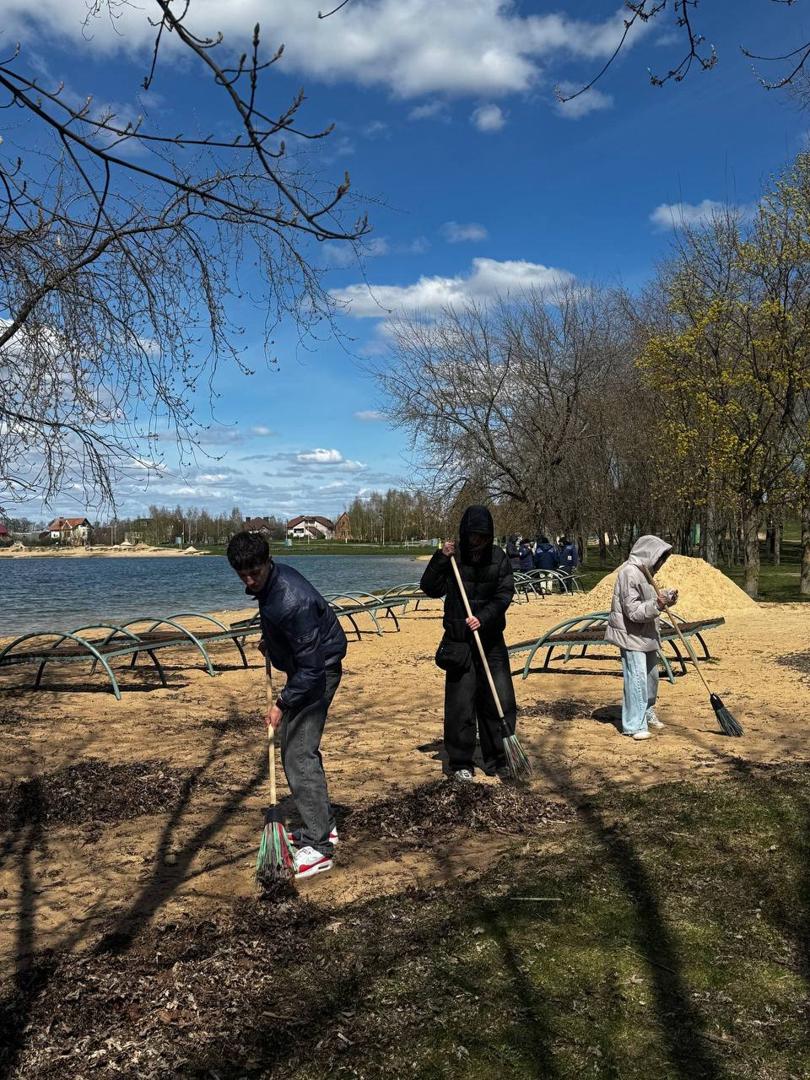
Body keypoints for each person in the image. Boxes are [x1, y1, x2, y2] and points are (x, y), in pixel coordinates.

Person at [226, 530, 347, 878]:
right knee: (298, 749)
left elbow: (310, 668)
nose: (249, 580)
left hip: (318, 673)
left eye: (255, 573)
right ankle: (324, 825)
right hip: (307, 669)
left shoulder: (290, 600)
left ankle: (320, 847)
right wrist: (274, 643)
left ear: (268, 562)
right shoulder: (271, 585)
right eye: (243, 574)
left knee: (298, 752)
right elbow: (289, 633)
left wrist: (280, 703)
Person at [420, 505, 518, 781]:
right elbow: (429, 588)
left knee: (499, 700)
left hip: (490, 641)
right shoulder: (454, 558)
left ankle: (499, 758)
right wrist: (440, 558)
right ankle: (461, 761)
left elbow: (503, 594)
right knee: (461, 705)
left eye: (482, 537)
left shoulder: (499, 558)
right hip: (460, 644)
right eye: (473, 536)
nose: (477, 542)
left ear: (489, 536)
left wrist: (482, 619)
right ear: (465, 534)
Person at [604, 535, 678, 741]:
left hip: (646, 634)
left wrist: (664, 598)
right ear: (649, 554)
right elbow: (633, 611)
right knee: (636, 678)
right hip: (631, 635)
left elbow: (647, 599)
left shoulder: (646, 573)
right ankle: (634, 724)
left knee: (651, 677)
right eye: (660, 559)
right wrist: (658, 605)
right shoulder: (629, 573)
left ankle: (647, 711)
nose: (661, 564)